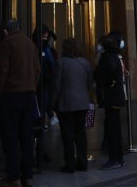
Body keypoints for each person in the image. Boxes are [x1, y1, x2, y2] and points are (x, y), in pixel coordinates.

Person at [0, 18, 41, 187]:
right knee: (26, 137)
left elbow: (2, 71)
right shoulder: (30, 43)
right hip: (29, 95)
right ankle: (27, 175)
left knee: (11, 137)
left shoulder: (7, 43)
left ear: (5, 31)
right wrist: (32, 86)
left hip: (11, 95)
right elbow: (37, 69)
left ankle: (13, 177)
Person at [50, 38, 92, 173]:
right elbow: (89, 83)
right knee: (80, 133)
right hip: (82, 103)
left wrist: (52, 103)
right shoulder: (85, 62)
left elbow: (56, 86)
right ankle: (82, 162)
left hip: (66, 103)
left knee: (67, 134)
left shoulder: (60, 63)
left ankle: (70, 164)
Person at [93, 31, 127, 170]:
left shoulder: (107, 58)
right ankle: (118, 157)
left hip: (111, 97)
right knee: (114, 127)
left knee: (113, 128)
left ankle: (115, 158)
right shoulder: (115, 57)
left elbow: (102, 76)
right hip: (115, 96)